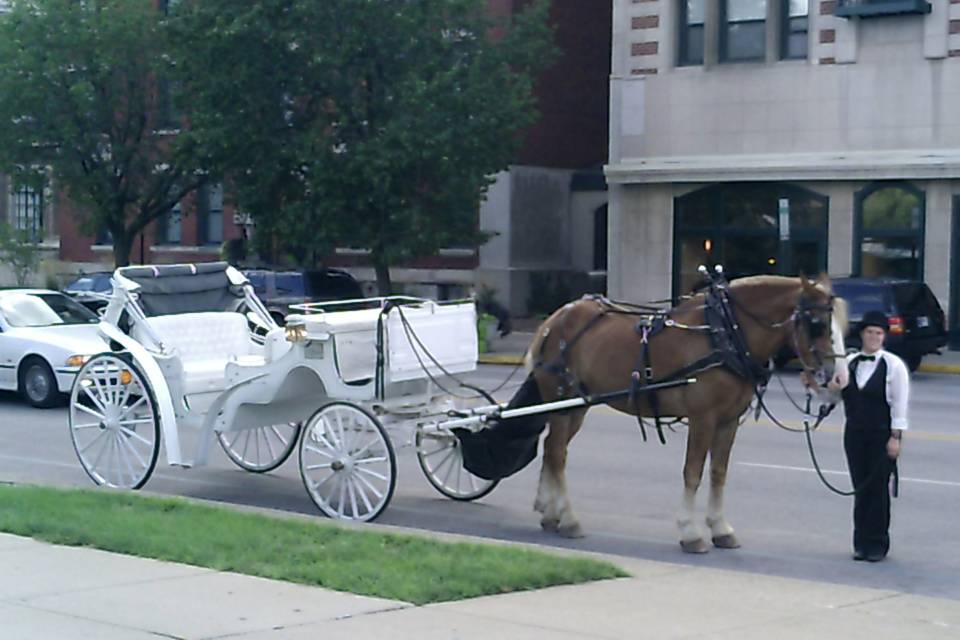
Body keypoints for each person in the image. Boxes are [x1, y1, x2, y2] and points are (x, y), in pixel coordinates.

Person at [828, 310, 909, 562]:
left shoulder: (893, 366)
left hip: (880, 435)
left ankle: (877, 544)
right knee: (860, 487)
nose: (874, 337)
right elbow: (835, 396)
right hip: (854, 434)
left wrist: (895, 437)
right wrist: (820, 387)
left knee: (878, 489)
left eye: (879, 333)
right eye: (870, 332)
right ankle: (860, 543)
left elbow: (899, 404)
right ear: (862, 334)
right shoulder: (849, 362)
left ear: (884, 337)